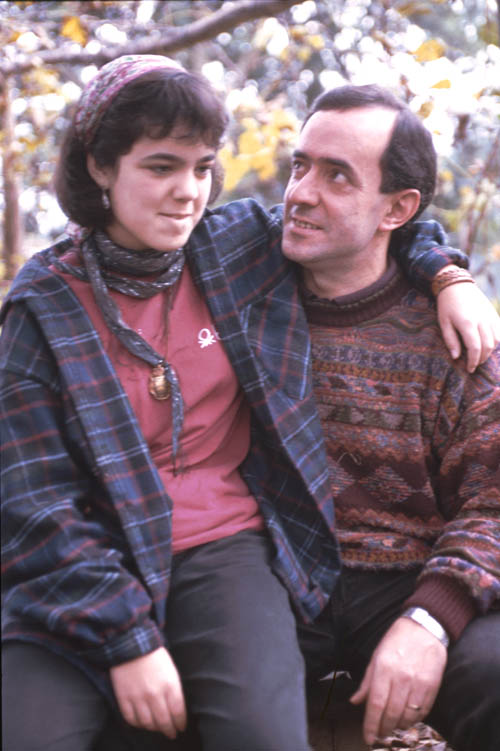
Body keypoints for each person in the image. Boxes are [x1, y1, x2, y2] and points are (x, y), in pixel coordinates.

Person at [0, 56, 498, 751]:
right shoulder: (69, 301)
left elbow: (377, 228)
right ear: (100, 167)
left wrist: (448, 276)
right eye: (300, 166)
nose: (300, 194)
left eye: (202, 168)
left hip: (313, 569)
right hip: (182, 566)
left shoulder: (245, 256)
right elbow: (32, 498)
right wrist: (127, 640)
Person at [280, 84, 500, 751]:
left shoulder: (454, 335)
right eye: (299, 165)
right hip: (272, 581)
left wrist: (432, 618)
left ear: (397, 208)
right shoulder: (246, 296)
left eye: (337, 176)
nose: (300, 193)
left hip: (411, 578)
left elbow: (494, 500)